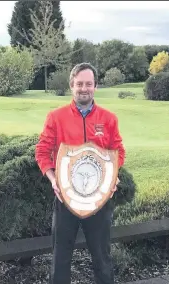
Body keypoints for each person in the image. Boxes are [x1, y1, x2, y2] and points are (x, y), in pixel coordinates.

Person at [34, 63, 125, 284]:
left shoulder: (109, 118)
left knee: (102, 257)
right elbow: (42, 151)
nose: (84, 88)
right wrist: (53, 178)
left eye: (89, 84)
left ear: (96, 86)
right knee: (60, 259)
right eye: (79, 84)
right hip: (65, 199)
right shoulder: (56, 117)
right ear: (71, 86)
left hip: (99, 201)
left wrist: (113, 176)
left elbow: (118, 151)